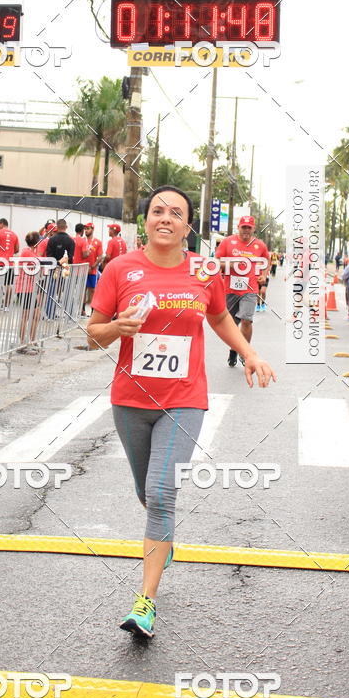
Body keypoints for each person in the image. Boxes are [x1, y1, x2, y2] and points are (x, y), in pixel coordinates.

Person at [87, 185, 275, 639]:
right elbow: (92, 335)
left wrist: (249, 353)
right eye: (157, 211)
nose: (165, 218)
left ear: (188, 225)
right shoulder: (120, 268)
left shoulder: (204, 270)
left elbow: (220, 317)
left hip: (183, 400)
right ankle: (164, 539)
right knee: (146, 492)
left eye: (176, 213)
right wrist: (117, 327)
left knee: (160, 493)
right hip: (130, 400)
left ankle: (145, 602)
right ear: (146, 220)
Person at [215, 215, 270, 365]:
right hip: (230, 289)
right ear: (238, 227)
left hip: (250, 289)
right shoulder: (228, 242)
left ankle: (245, 353)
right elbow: (216, 262)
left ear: (253, 229)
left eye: (249, 227)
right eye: (243, 227)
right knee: (232, 324)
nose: (246, 230)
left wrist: (264, 275)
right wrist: (232, 264)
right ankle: (234, 350)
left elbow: (266, 260)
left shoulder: (259, 245)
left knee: (246, 320)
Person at [15, 230, 43, 353]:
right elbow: (39, 261)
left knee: (36, 315)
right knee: (26, 316)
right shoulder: (26, 252)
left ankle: (32, 340)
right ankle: (22, 343)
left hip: (29, 288)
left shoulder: (31, 252)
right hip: (24, 288)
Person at [0, 217, 20, 308]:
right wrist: (9, 252)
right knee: (8, 285)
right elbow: (17, 249)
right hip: (9, 263)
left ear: (1, 224)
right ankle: (6, 306)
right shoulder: (14, 234)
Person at [82, 222, 103, 316]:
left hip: (92, 270)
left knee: (92, 290)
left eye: (88, 229)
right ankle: (82, 310)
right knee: (83, 289)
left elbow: (100, 256)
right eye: (85, 229)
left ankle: (93, 311)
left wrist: (93, 266)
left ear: (92, 229)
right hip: (82, 270)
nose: (86, 230)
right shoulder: (82, 241)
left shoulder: (98, 242)